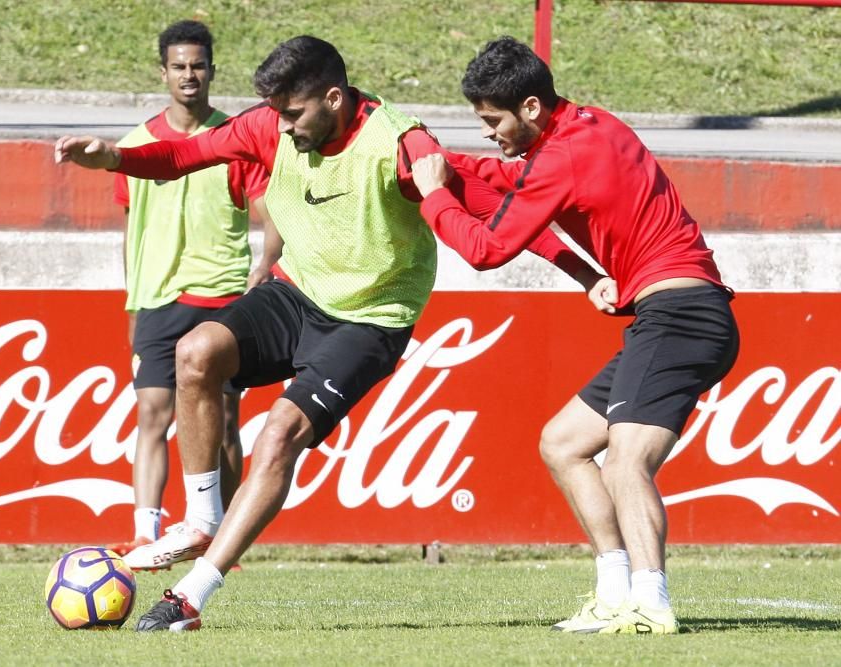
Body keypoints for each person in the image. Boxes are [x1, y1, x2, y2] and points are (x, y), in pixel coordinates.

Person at [56, 35, 603, 633]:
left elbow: (491, 209)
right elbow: (184, 156)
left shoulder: (400, 143)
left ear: (335, 98)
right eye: (278, 114)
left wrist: (586, 276)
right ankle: (202, 517)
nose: (283, 128)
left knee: (278, 435)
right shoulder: (270, 125)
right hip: (297, 293)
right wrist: (112, 158)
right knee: (196, 352)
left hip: (371, 318)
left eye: (294, 114)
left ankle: (190, 597)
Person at [409, 36, 739, 634]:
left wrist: (433, 195)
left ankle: (651, 602)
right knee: (564, 443)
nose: (488, 133)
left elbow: (485, 250)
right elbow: (510, 185)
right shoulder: (590, 124)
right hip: (679, 313)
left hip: (681, 314)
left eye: (492, 120)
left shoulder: (559, 157)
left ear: (531, 107)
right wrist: (446, 166)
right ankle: (615, 591)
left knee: (625, 462)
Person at [107, 20, 281, 571]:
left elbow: (269, 212)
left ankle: (220, 532)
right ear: (164, 72)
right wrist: (133, 299)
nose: (189, 74)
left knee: (225, 417)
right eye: (179, 66)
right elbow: (131, 230)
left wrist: (266, 260)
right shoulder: (134, 146)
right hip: (158, 298)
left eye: (198, 65)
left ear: (211, 70)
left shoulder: (236, 140)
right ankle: (145, 532)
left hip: (222, 295)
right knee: (152, 412)